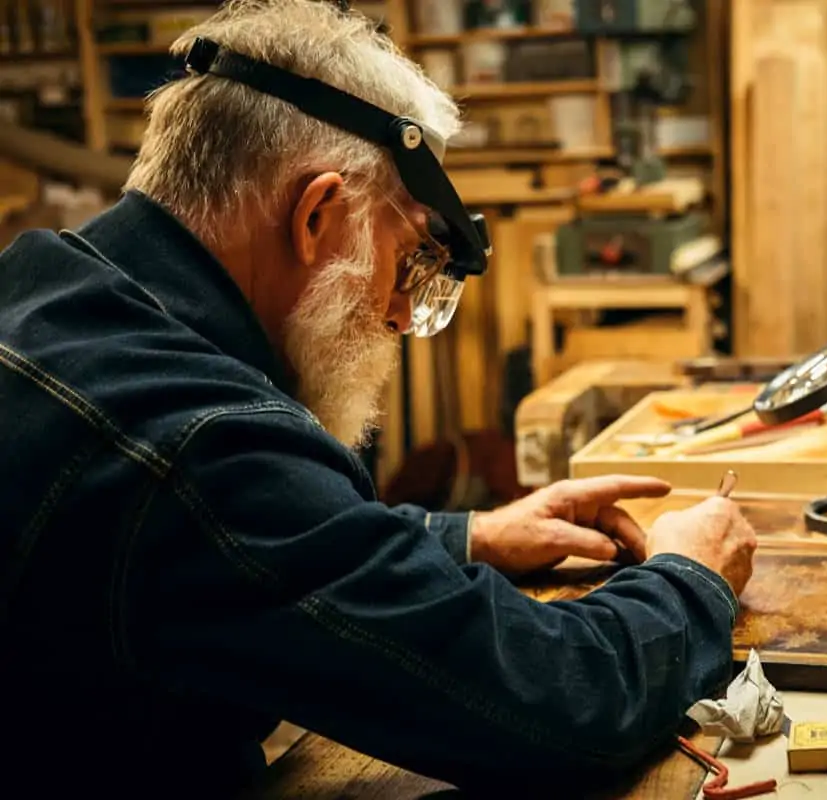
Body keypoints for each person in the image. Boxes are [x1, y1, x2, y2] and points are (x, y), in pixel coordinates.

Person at [0, 0, 757, 795]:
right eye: (405, 259)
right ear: (317, 215)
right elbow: (568, 703)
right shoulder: (198, 442)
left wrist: (468, 536)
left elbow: (237, 549)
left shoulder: (43, 285)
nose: (399, 314)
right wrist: (687, 574)